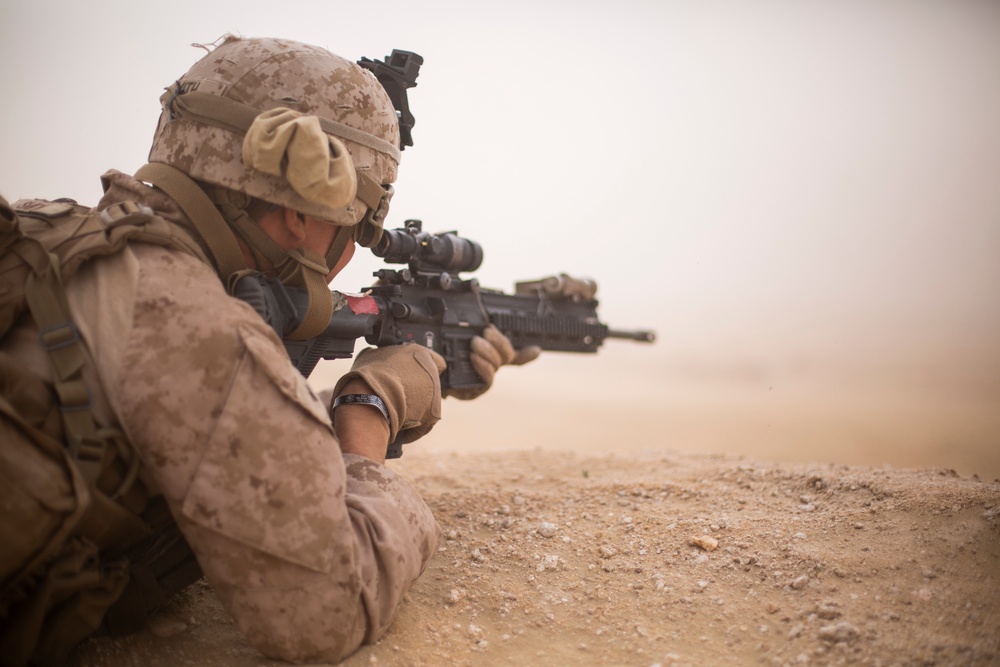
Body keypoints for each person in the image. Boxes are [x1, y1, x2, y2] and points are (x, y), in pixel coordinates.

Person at [0, 36, 535, 665]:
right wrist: (370, 413)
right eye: (358, 226)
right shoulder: (200, 329)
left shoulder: (44, 229)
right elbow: (327, 608)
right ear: (304, 216)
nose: (350, 253)